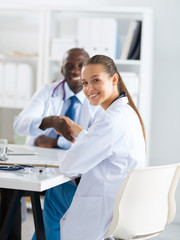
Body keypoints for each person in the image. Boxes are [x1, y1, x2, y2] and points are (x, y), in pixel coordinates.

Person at [34, 54, 146, 240]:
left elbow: (69, 166)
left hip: (105, 209)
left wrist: (77, 142)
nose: (89, 89)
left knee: (55, 194)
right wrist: (80, 132)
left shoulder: (110, 120)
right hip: (126, 205)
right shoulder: (127, 113)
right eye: (85, 83)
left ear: (114, 79)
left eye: (96, 80)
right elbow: (105, 146)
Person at [0, 48, 100, 240]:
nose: (74, 70)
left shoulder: (95, 97)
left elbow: (92, 141)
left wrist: (56, 140)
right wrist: (49, 121)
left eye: (80, 66)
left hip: (74, 171)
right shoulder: (48, 91)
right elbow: (19, 124)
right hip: (37, 166)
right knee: (9, 193)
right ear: (62, 69)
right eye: (68, 66)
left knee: (57, 195)